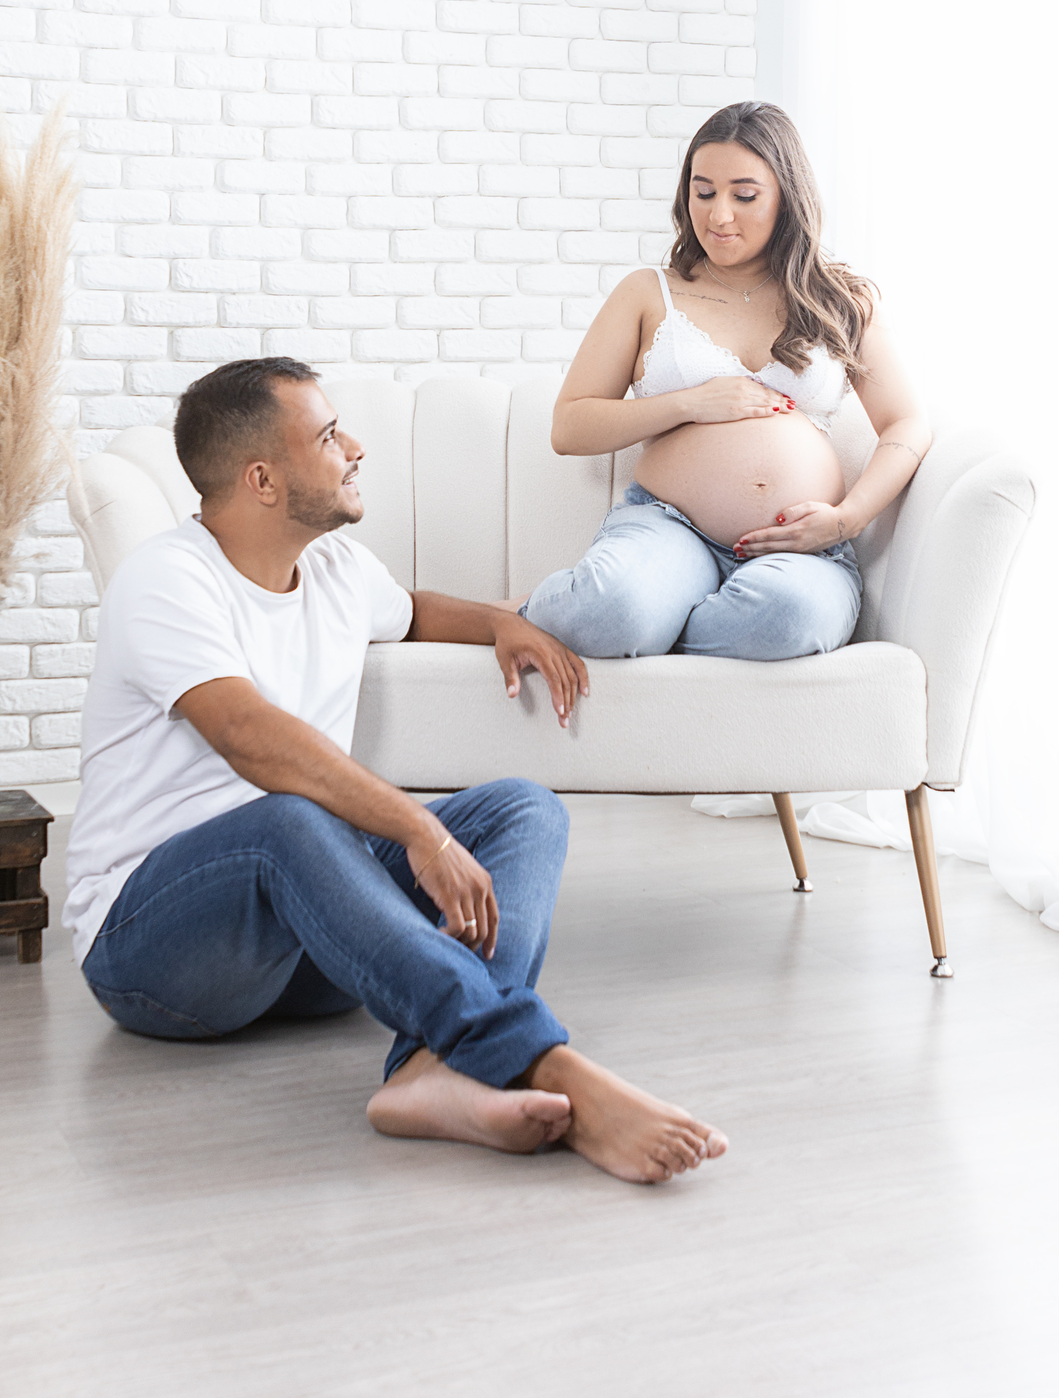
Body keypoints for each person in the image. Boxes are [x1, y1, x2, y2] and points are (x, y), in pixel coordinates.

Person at [63, 357, 728, 1186]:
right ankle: (544, 1064)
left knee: (524, 810)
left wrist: (499, 625)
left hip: (306, 940)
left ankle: (428, 1073)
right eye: (329, 435)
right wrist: (417, 828)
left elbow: (411, 613)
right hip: (155, 951)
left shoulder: (337, 570)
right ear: (262, 478)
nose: (356, 447)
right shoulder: (168, 579)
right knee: (292, 818)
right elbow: (249, 737)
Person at [519, 100, 931, 660]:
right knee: (609, 609)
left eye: (744, 194)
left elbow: (905, 421)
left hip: (802, 549)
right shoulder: (648, 292)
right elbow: (570, 427)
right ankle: (534, 617)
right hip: (669, 528)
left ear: (787, 197)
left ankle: (657, 623)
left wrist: (846, 518)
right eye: (703, 191)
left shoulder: (840, 299)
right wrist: (692, 402)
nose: (717, 216)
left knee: (790, 616)